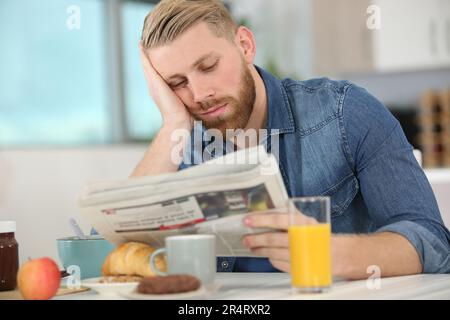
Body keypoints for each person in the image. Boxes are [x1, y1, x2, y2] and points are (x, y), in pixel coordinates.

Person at [131, 0, 450, 279]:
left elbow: (433, 243)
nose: (200, 94)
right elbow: (117, 252)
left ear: (244, 45)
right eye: (177, 83)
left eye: (209, 66)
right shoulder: (180, 146)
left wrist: (332, 254)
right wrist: (171, 123)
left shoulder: (345, 114)